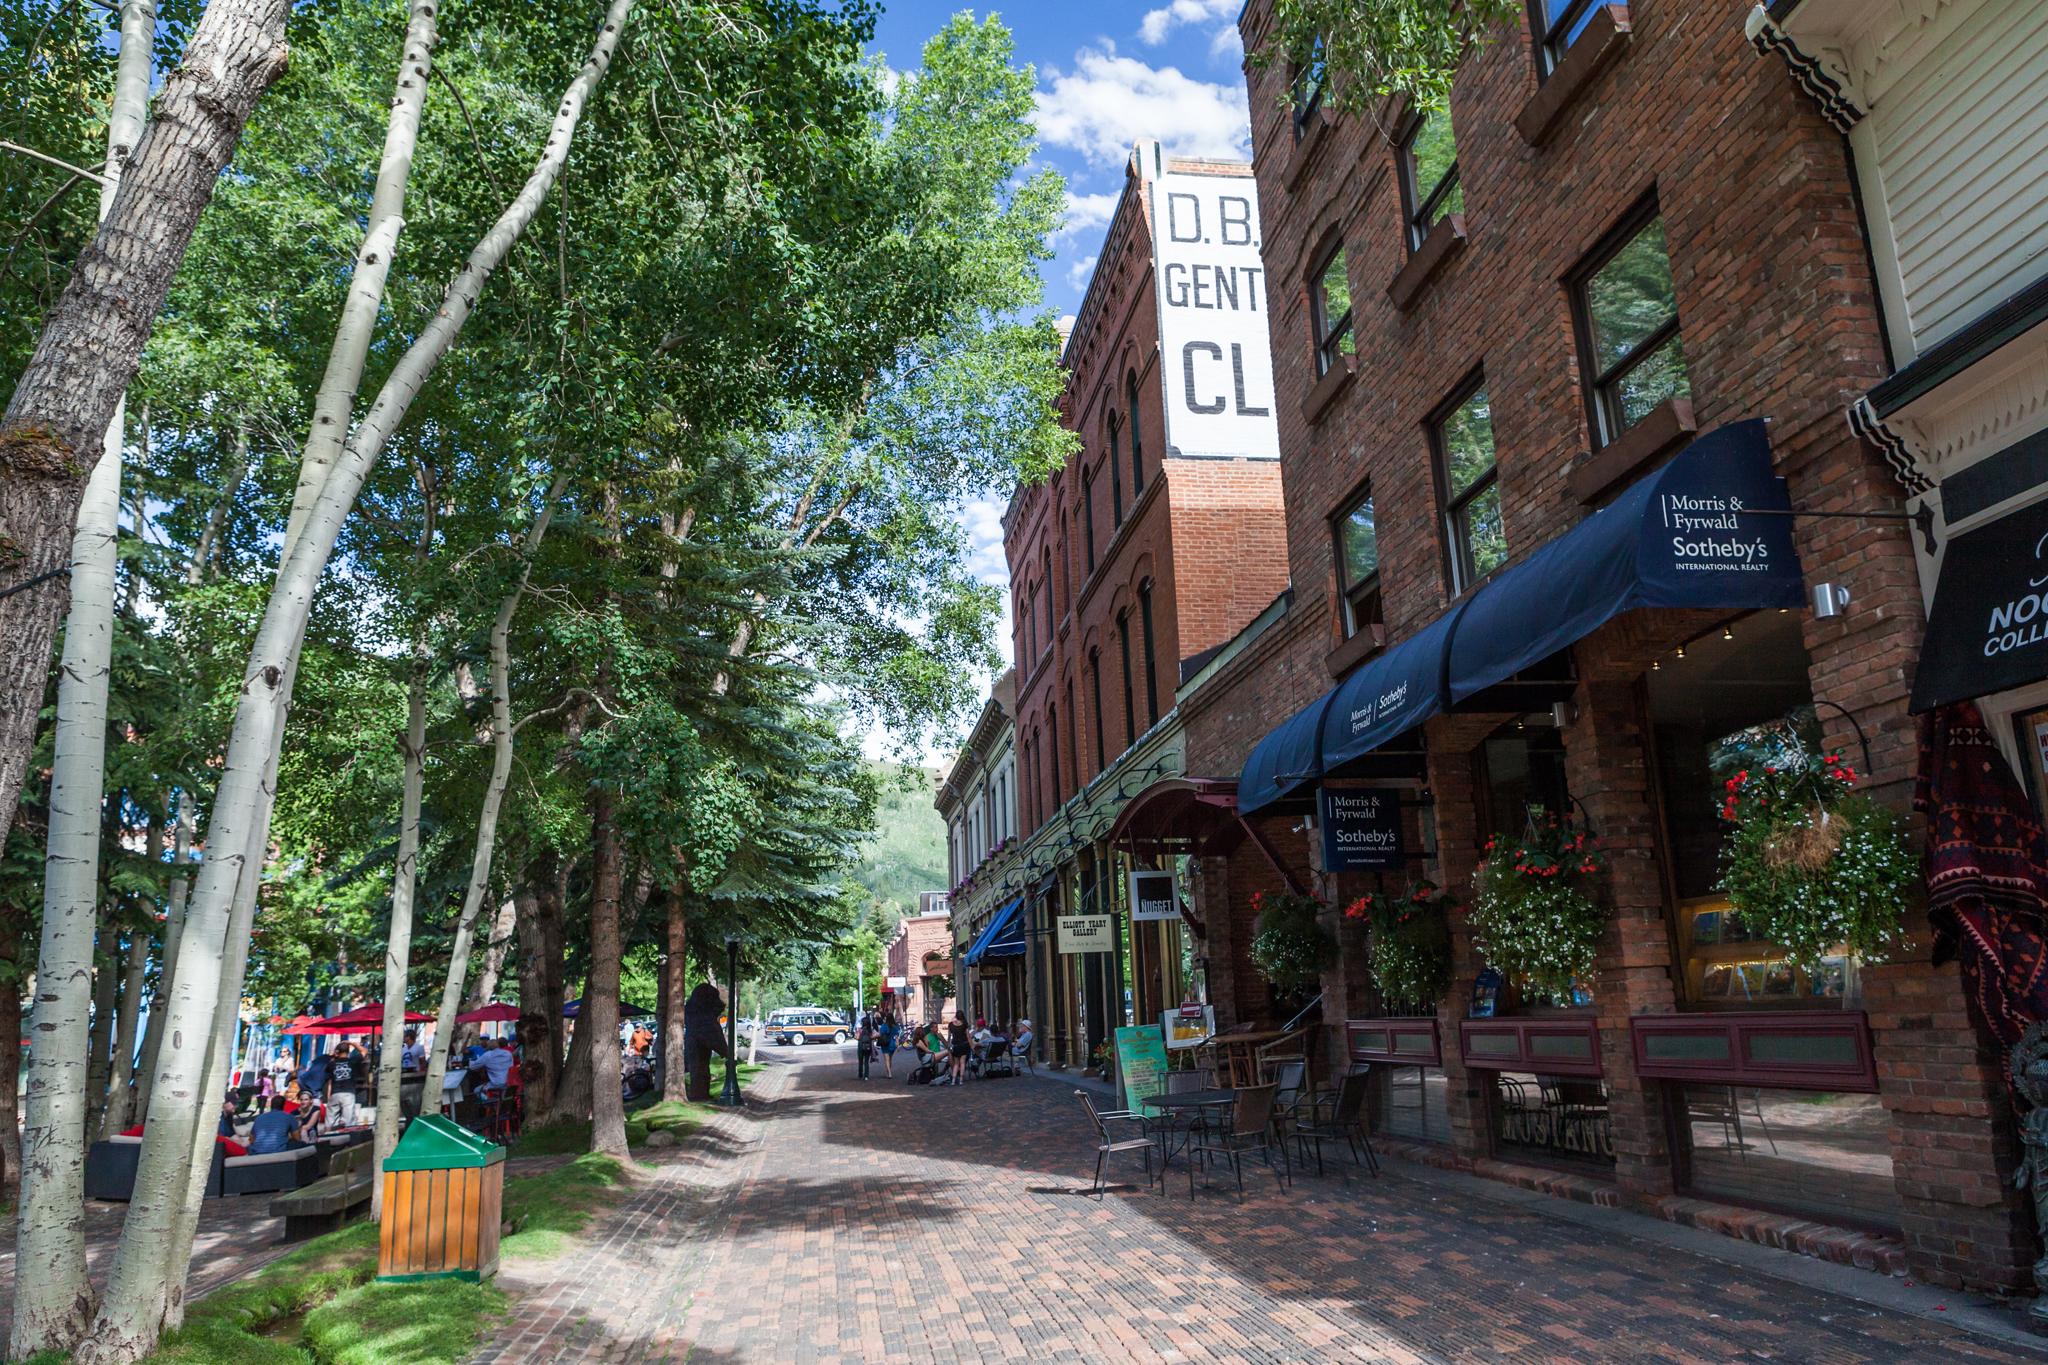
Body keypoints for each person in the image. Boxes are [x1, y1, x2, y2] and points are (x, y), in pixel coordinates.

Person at [682, 982, 732, 1102]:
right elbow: (713, 1035)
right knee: (700, 1071)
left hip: (695, 1047)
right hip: (697, 1049)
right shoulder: (703, 1018)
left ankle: (700, 1094)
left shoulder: (694, 1013)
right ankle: (699, 1095)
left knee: (701, 1070)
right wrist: (726, 1052)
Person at [325, 1039, 362, 1126]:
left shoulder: (331, 1063)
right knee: (348, 1121)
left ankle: (328, 1137)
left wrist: (328, 1096)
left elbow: (330, 1081)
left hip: (335, 1093)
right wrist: (351, 1043)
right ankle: (347, 1137)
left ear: (337, 1051)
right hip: (348, 1094)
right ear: (348, 1051)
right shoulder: (353, 1061)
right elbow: (364, 1051)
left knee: (330, 1121)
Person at [875, 1005, 900, 1080]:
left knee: (886, 1059)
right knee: (890, 1059)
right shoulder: (895, 1026)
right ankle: (888, 1072)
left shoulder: (884, 1026)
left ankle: (889, 1073)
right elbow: (896, 1037)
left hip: (885, 1044)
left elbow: (880, 1034)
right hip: (892, 1044)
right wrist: (898, 1045)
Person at [946, 1013, 970, 1086]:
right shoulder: (964, 1024)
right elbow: (968, 1036)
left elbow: (949, 1036)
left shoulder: (951, 1025)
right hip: (964, 1045)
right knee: (962, 1063)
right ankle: (961, 1080)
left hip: (955, 1045)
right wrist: (971, 1045)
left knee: (956, 1063)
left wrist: (948, 1045)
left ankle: (953, 1080)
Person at [856, 1010, 876, 1080]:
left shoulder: (860, 1030)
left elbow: (857, 1037)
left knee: (860, 1061)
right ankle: (866, 1076)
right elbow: (875, 1035)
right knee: (866, 1062)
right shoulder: (870, 1030)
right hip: (868, 1047)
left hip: (861, 1046)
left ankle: (860, 1074)